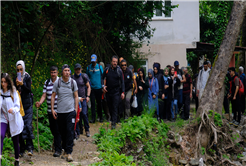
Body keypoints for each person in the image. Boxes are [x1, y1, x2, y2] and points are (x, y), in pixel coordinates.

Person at [51, 64, 78, 162]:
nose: (67, 72)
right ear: (62, 72)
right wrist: (53, 109)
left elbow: (76, 96)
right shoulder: (57, 83)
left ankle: (69, 153)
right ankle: (65, 150)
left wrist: (75, 110)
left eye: (68, 70)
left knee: (70, 131)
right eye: (65, 70)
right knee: (63, 132)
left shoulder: (73, 82)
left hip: (70, 111)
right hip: (60, 112)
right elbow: (53, 96)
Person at [35, 66, 62, 157]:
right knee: (53, 129)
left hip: (60, 110)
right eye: (51, 72)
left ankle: (58, 149)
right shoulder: (47, 82)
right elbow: (44, 95)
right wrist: (40, 103)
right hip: (50, 110)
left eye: (54, 72)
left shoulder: (61, 82)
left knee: (58, 129)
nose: (53, 74)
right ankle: (58, 143)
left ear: (57, 73)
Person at [0, 73, 24, 166]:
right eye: (1, 82)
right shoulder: (0, 92)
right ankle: (0, 158)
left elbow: (17, 105)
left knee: (15, 140)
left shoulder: (13, 92)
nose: (3, 84)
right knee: (0, 135)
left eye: (5, 82)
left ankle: (17, 160)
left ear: (8, 82)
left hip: (14, 118)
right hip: (3, 117)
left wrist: (13, 110)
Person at [14, 60, 34, 157]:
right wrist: (16, 86)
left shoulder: (27, 77)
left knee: (28, 126)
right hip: (19, 106)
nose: (19, 71)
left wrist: (23, 85)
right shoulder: (15, 78)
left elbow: (29, 90)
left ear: (23, 69)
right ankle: (22, 148)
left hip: (28, 105)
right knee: (20, 127)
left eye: (21, 69)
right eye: (18, 70)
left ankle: (30, 147)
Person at [102, 56, 125, 129]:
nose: (115, 63)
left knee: (115, 107)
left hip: (116, 92)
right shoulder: (107, 69)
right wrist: (103, 86)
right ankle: (112, 119)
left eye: (116, 62)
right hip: (108, 91)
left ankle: (113, 123)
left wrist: (123, 92)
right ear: (111, 62)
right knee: (110, 107)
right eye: (114, 61)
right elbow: (102, 78)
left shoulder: (119, 71)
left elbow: (122, 82)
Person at [72, 63, 91, 137]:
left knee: (84, 113)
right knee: (76, 115)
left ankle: (87, 129)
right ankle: (79, 129)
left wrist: (88, 96)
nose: (78, 70)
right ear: (74, 70)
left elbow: (88, 86)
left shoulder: (84, 76)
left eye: (79, 69)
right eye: (76, 69)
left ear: (81, 69)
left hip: (83, 99)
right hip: (75, 100)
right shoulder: (72, 78)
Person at [86, 54, 104, 123]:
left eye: (94, 61)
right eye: (92, 61)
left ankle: (101, 117)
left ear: (96, 60)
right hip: (92, 89)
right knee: (93, 103)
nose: (93, 62)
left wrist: (102, 85)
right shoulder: (88, 67)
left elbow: (102, 76)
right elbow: (87, 77)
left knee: (99, 103)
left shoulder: (99, 67)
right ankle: (93, 118)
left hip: (99, 88)